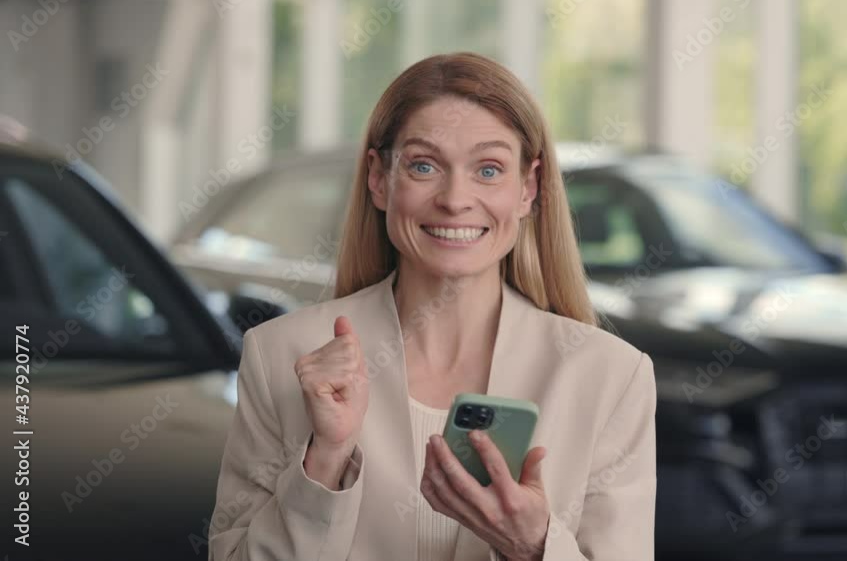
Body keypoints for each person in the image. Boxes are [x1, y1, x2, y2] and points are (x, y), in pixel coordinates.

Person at [208, 51, 656, 561]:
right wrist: (325, 459)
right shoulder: (280, 356)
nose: (455, 198)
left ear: (527, 188)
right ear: (379, 178)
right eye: (424, 165)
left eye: (489, 169)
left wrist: (534, 547)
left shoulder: (610, 376)